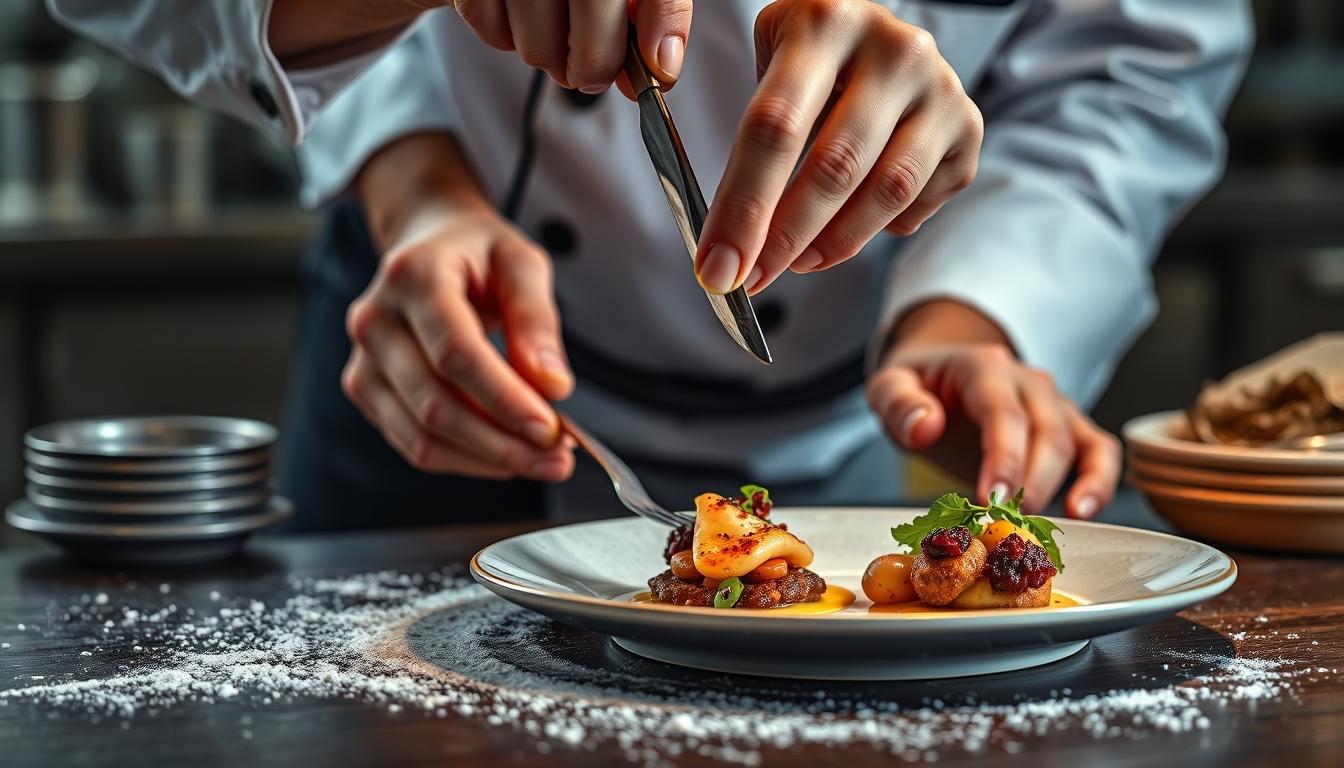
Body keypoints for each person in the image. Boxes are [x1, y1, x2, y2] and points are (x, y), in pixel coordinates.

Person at [49, 1, 1251, 530]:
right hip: (438, 329)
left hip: (876, 388)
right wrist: (419, 189)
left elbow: (1129, 69)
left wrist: (977, 324)